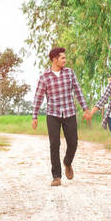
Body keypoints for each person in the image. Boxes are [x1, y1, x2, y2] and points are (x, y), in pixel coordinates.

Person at [32, 47, 89, 186]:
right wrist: (35, 116)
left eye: (65, 57)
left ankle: (67, 162)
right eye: (62, 57)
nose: (65, 60)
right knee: (54, 144)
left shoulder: (69, 73)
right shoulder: (45, 77)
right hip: (53, 114)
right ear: (54, 59)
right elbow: (38, 97)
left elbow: (78, 90)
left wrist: (85, 108)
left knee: (73, 142)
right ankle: (56, 176)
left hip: (69, 112)